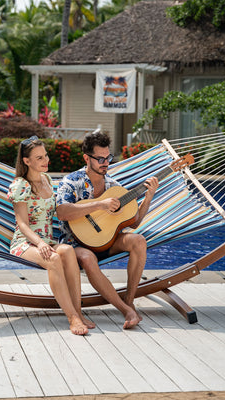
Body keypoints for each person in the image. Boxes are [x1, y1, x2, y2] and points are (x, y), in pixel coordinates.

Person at [56, 131, 158, 329]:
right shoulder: (71, 181)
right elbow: (62, 212)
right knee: (87, 258)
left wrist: (148, 197)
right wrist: (99, 205)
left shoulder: (114, 186)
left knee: (138, 240)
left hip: (106, 242)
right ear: (87, 158)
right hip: (75, 243)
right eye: (100, 159)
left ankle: (129, 300)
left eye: (108, 158)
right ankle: (125, 310)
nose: (106, 163)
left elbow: (134, 222)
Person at [7, 135, 95, 335]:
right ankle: (72, 317)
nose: (46, 160)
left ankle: (78, 312)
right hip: (25, 243)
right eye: (39, 158)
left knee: (68, 251)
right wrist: (39, 244)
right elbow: (21, 223)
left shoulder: (47, 180)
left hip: (47, 240)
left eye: (45, 155)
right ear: (26, 161)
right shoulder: (21, 185)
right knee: (54, 258)